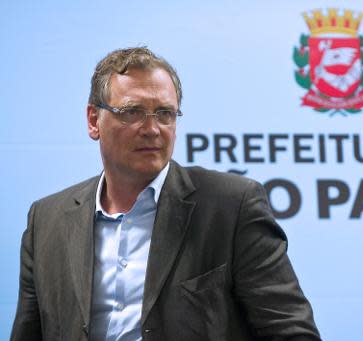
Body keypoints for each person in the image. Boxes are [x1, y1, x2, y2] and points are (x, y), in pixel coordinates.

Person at [11, 47, 321, 341]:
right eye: (132, 112)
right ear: (94, 120)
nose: (152, 128)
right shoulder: (47, 220)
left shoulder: (231, 207)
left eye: (165, 113)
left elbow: (292, 332)